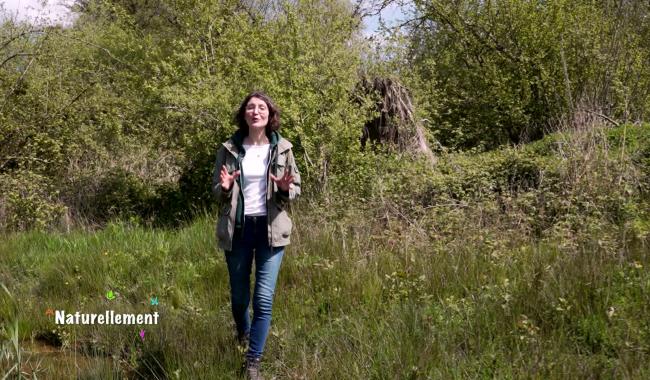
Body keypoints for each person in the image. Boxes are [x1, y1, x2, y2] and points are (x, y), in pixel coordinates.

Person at [212, 91, 300, 379]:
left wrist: (286, 189)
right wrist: (224, 188)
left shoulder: (283, 148)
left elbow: (294, 189)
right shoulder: (229, 149)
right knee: (239, 300)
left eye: (261, 107)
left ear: (269, 114)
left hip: (270, 231)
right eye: (250, 107)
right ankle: (244, 337)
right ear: (244, 114)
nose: (256, 111)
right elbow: (217, 191)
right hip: (237, 231)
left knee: (263, 299)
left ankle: (253, 362)